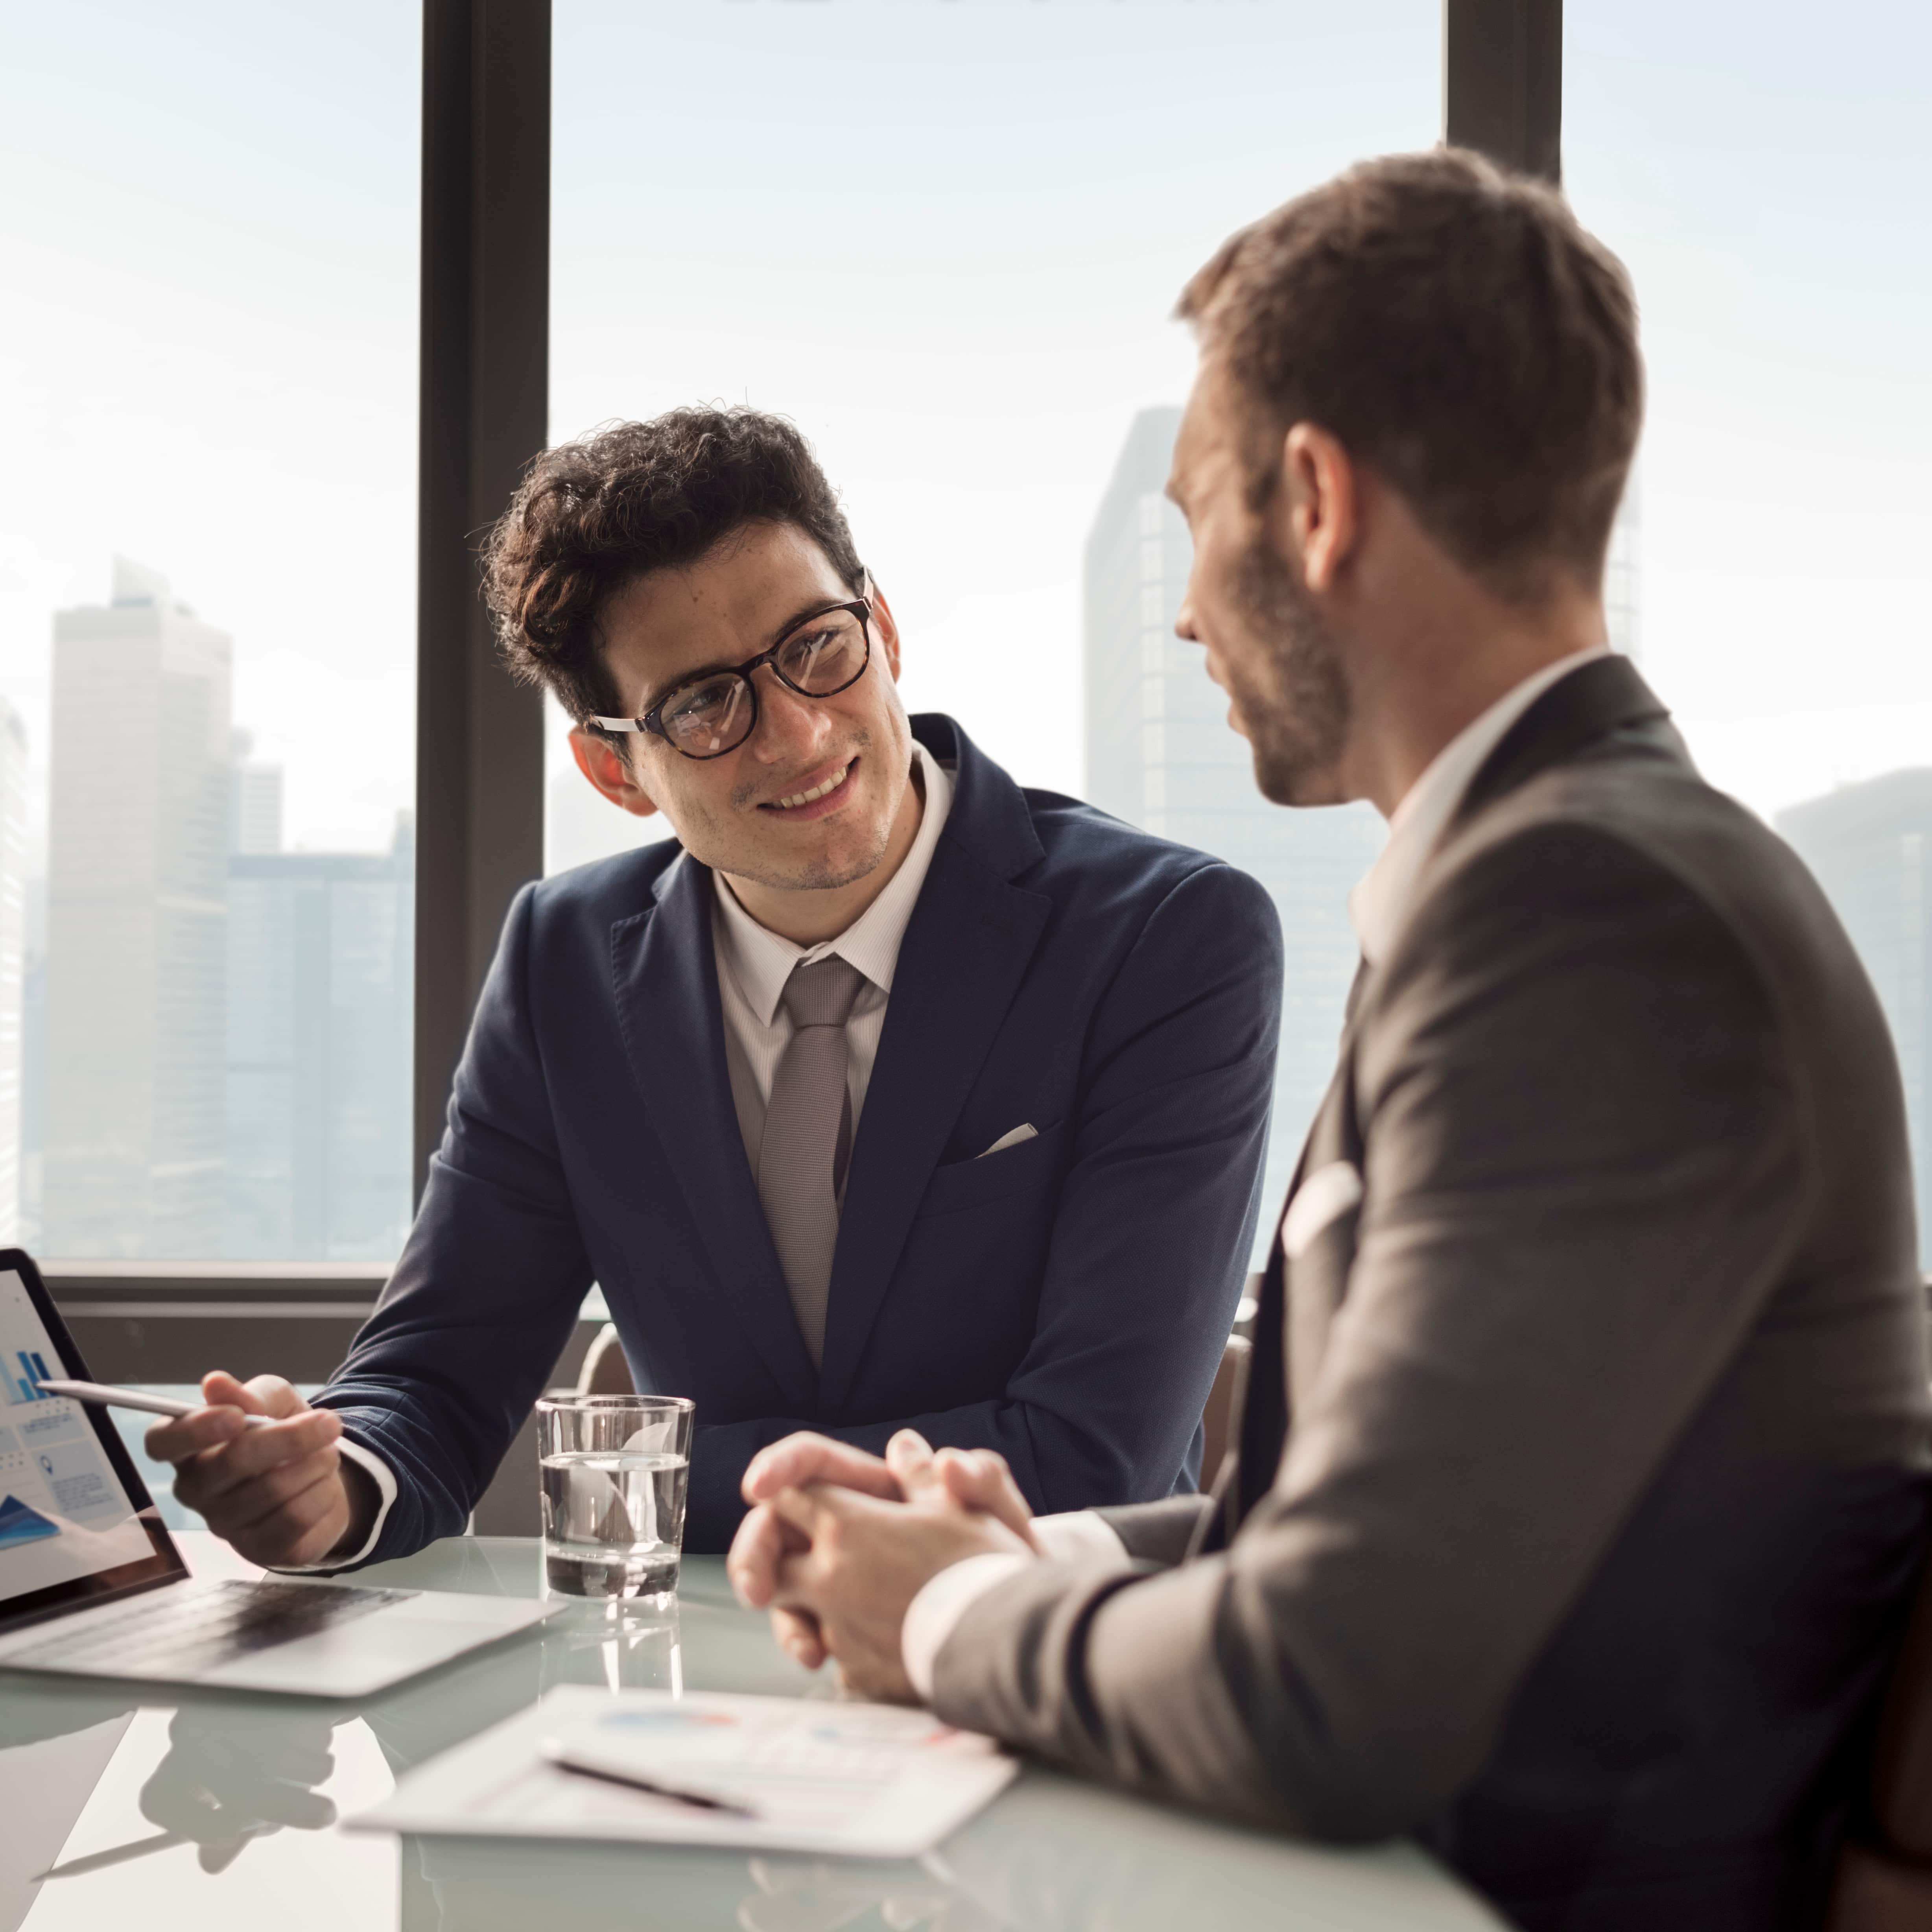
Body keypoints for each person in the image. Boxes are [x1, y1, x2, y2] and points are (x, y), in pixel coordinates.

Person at [727, 152, 1932, 1930]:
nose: (1188, 608)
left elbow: (1335, 1687)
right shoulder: (1552, 870)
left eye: (1197, 517)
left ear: (1313, 502)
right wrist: (1022, 1548)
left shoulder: (1586, 917)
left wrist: (947, 1615)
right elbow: (1369, 1525)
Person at [142, 407, 1283, 1566]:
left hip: (1039, 1652)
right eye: (702, 705)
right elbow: (435, 1378)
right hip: (677, 1688)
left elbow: (1096, 1456)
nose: (795, 732)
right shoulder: (564, 961)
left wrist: (631, 1486)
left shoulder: (1166, 937)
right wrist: (335, 1482)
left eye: (819, 647)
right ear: (614, 769)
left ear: (882, 628)